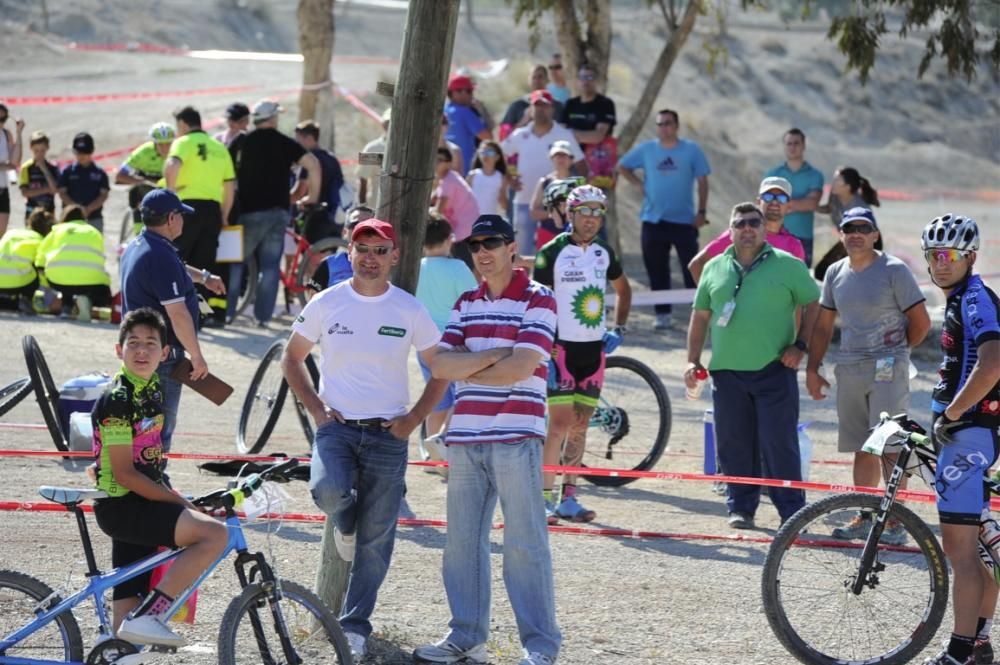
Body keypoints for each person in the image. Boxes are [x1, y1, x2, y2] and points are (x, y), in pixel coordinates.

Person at [281, 218, 446, 662]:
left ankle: (354, 626)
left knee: (377, 543)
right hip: (337, 429)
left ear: (395, 256)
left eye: (380, 250)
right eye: (363, 249)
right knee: (327, 491)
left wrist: (414, 418)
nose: (371, 258)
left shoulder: (409, 308)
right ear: (349, 254)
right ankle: (346, 523)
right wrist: (317, 411)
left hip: (389, 434)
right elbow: (291, 357)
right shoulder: (326, 302)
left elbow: (441, 367)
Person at [415, 215, 560, 665]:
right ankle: (466, 639)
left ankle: (540, 648)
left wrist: (474, 362)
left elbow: (521, 370)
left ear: (511, 247)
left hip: (517, 434)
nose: (482, 250)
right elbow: (440, 367)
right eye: (474, 243)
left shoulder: (541, 298)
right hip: (465, 437)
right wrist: (500, 354)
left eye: (491, 241)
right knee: (460, 543)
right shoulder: (465, 300)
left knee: (524, 544)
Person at [91, 307, 228, 644]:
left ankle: (125, 640)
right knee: (214, 536)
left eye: (151, 343)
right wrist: (182, 503)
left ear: (165, 353)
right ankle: (152, 616)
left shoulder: (152, 387)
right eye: (133, 342)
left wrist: (181, 499)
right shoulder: (119, 397)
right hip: (124, 506)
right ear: (118, 349)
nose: (141, 350)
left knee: (126, 632)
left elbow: (148, 461)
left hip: (141, 500)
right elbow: (125, 474)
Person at [685, 202, 820, 529]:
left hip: (774, 370)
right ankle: (741, 508)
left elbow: (813, 302)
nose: (747, 228)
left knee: (779, 443)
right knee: (734, 443)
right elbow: (700, 315)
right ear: (730, 230)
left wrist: (800, 345)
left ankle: (792, 512)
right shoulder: (715, 267)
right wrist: (692, 360)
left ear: (763, 228)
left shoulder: (788, 265)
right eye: (740, 223)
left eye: (753, 223)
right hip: (727, 373)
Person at [805, 207, 931, 545]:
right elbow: (823, 325)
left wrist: (897, 352)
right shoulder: (834, 272)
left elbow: (921, 323)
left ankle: (894, 522)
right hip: (850, 368)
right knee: (863, 447)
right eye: (850, 228)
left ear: (875, 234)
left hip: (888, 368)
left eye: (864, 228)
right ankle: (866, 514)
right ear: (841, 234)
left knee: (889, 445)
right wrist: (812, 368)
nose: (856, 233)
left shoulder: (893, 270)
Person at [919, 214, 999, 665]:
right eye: (934, 255)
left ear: (969, 256)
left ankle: (959, 653)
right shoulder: (963, 298)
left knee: (961, 551)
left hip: (967, 436)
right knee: (977, 552)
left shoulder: (974, 300)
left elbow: (992, 363)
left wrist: (950, 414)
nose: (940, 263)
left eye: (949, 255)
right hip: (967, 434)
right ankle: (981, 644)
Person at [533, 185, 631, 524]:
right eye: (585, 211)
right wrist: (545, 346)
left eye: (597, 212)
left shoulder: (605, 252)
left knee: (580, 426)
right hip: (561, 349)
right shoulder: (552, 251)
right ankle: (543, 498)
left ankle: (569, 497)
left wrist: (618, 328)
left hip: (593, 351)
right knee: (558, 425)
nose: (591, 219)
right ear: (571, 214)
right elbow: (539, 301)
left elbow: (623, 288)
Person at [120, 189, 226, 456]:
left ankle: (145, 484)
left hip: (143, 349)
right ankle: (152, 486)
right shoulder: (160, 256)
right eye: (179, 214)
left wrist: (203, 277)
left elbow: (174, 267)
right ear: (170, 218)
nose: (182, 220)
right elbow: (178, 314)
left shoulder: (142, 245)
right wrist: (197, 355)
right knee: (157, 430)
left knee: (143, 422)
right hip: (162, 356)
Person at [618, 109, 710, 329]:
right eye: (660, 124)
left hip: (684, 222)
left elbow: (703, 182)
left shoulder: (691, 150)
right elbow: (623, 166)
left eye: (668, 123)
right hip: (653, 220)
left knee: (692, 269)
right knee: (656, 268)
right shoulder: (647, 149)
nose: (664, 128)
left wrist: (702, 212)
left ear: (676, 126)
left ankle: (698, 316)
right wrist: (638, 184)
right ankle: (663, 315)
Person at [164, 105, 235, 327]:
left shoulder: (183, 142)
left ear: (184, 124)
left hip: (186, 207)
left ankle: (172, 310)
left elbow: (173, 163)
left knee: (177, 258)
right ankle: (203, 315)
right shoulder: (219, 147)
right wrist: (224, 215)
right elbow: (229, 185)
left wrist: (170, 192)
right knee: (205, 263)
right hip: (212, 209)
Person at [415, 215, 478, 452]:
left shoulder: (416, 268)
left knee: (437, 400)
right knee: (465, 392)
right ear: (449, 240)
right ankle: (443, 438)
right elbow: (475, 301)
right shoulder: (458, 267)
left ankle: (433, 452)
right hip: (453, 344)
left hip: (424, 345)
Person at [501, 90, 586, 255]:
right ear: (530, 109)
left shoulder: (564, 134)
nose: (541, 110)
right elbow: (500, 153)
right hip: (525, 201)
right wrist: (509, 179)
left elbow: (581, 164)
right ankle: (524, 281)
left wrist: (581, 193)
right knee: (521, 252)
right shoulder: (520, 134)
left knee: (556, 254)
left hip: (558, 206)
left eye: (545, 106)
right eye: (537, 105)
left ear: (552, 109)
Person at [688, 176, 805, 283]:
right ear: (759, 202)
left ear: (789, 205)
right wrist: (711, 302)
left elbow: (800, 287)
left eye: (781, 198)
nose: (774, 202)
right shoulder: (740, 233)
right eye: (768, 197)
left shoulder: (794, 245)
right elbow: (696, 265)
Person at [34, 205, 112, 316]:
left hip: (58, 281)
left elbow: (40, 258)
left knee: (65, 280)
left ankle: (67, 307)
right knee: (102, 286)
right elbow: (100, 258)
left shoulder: (57, 230)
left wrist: (43, 280)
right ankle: (90, 303)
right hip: (91, 281)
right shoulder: (94, 231)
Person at [763, 128, 824, 266]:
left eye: (796, 143)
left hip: (803, 238)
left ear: (803, 146)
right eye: (789, 143)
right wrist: (800, 204)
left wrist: (779, 203)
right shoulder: (772, 174)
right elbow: (764, 204)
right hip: (773, 235)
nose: (792, 147)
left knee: (799, 284)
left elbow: (812, 204)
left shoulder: (815, 175)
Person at [814, 166, 884, 280]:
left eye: (837, 180)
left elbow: (863, 235)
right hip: (849, 238)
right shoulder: (835, 196)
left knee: (854, 274)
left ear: (847, 187)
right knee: (822, 271)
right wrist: (814, 207)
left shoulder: (858, 208)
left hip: (868, 241)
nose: (833, 183)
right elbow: (830, 208)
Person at [293, 119, 345, 243]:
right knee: (328, 259)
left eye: (298, 139)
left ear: (309, 138)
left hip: (315, 218)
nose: (296, 144)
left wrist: (296, 201)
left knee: (311, 259)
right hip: (335, 217)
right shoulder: (332, 158)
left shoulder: (309, 160)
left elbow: (301, 190)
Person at [115, 122, 176, 229]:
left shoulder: (178, 151)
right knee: (138, 191)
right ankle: (139, 230)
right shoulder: (143, 152)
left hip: (168, 186)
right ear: (154, 143)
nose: (164, 148)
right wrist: (143, 181)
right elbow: (120, 175)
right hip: (145, 187)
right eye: (160, 144)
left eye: (168, 144)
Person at [530, 142, 584, 249]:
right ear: (551, 158)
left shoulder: (579, 184)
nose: (561, 159)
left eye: (564, 156)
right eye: (557, 156)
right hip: (547, 233)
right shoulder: (544, 182)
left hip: (573, 236)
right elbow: (533, 213)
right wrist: (555, 214)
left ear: (571, 159)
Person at [432, 147, 480, 268]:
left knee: (464, 268)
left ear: (448, 163)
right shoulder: (448, 178)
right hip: (464, 231)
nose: (435, 162)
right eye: (434, 159)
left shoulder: (449, 180)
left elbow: (438, 211)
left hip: (464, 232)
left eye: (440, 160)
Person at [307, 205, 374, 291]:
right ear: (344, 232)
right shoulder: (327, 264)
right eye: (355, 225)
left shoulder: (384, 265)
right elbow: (314, 300)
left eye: (368, 227)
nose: (361, 230)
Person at [0, 208, 53, 313]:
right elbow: (41, 269)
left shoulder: (11, 233)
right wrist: (48, 289)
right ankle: (27, 299)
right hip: (19, 285)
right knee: (36, 268)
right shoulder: (41, 241)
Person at [58, 132, 110, 233]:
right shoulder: (67, 172)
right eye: (79, 153)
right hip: (70, 219)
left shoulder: (100, 173)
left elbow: (103, 195)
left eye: (85, 152)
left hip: (94, 218)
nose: (82, 156)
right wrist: (76, 209)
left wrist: (88, 209)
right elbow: (62, 192)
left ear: (91, 151)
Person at [499, 64, 563, 140]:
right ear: (529, 81)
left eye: (540, 77)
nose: (537, 81)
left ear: (547, 80)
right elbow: (503, 136)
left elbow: (564, 131)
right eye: (534, 78)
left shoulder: (557, 106)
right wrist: (523, 121)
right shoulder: (517, 105)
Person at [444, 74, 492, 174]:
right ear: (454, 93)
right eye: (469, 91)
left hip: (443, 171)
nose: (471, 95)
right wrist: (482, 112)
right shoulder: (465, 112)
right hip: (464, 171)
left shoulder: (443, 111)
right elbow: (487, 138)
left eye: (470, 91)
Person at [559, 63, 616, 147]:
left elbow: (598, 136)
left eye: (590, 77)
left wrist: (571, 134)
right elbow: (560, 132)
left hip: (596, 157)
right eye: (582, 78)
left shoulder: (606, 104)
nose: (585, 81)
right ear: (578, 81)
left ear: (596, 80)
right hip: (571, 155)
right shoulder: (570, 104)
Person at [18, 130, 59, 218]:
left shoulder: (53, 167)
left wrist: (45, 169)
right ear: (31, 148)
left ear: (47, 148)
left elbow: (55, 189)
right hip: (31, 212)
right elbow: (25, 192)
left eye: (42, 150)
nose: (39, 154)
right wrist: (46, 189)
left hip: (49, 212)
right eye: (36, 151)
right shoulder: (26, 168)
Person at [465, 141, 508, 217]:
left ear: (497, 157)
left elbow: (504, 205)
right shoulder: (472, 175)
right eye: (482, 152)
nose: (485, 155)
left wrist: (502, 198)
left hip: (490, 219)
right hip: (471, 218)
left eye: (489, 152)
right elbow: (464, 198)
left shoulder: (501, 178)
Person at [357, 108, 390, 206]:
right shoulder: (371, 148)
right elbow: (363, 179)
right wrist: (363, 207)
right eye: (389, 122)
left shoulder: (408, 149)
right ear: (383, 124)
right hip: (376, 207)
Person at [0, 105, 24, 237]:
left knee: (2, 233)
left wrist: (19, 132)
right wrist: (4, 166)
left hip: (2, 189)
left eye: (3, 119)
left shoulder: (6, 134)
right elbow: (8, 165)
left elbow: (14, 162)